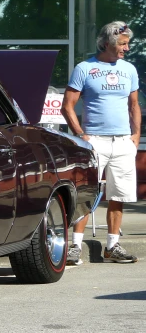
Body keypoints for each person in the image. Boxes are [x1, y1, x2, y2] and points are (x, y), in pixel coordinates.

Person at [61, 21, 140, 264]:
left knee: (119, 196)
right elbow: (68, 106)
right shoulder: (85, 68)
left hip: (123, 142)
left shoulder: (129, 69)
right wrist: (82, 135)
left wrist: (135, 137)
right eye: (122, 44)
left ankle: (112, 246)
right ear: (107, 43)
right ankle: (74, 246)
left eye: (128, 44)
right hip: (94, 141)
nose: (126, 48)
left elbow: (134, 105)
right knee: (87, 194)